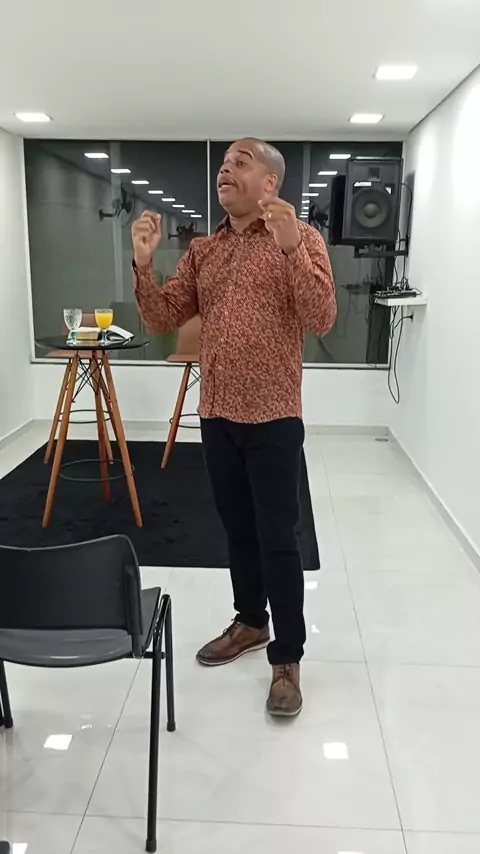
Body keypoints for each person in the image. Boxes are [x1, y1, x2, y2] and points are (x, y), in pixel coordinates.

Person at [131, 139, 336, 717]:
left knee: (279, 539)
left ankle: (287, 658)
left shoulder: (302, 239)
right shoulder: (206, 249)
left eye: (241, 161)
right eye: (224, 163)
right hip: (218, 413)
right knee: (237, 530)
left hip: (274, 416)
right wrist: (144, 264)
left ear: (270, 183)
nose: (226, 168)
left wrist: (292, 250)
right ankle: (250, 621)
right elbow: (163, 316)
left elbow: (322, 318)